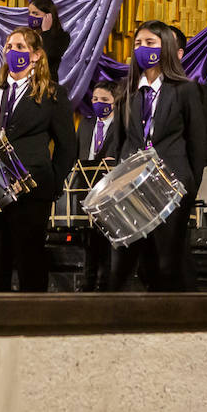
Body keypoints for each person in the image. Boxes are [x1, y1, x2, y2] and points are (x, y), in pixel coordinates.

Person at [0, 28, 76, 292]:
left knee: (29, 262)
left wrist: (50, 185)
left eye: (19, 46)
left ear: (36, 55)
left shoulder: (52, 94)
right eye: (8, 46)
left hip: (31, 192)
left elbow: (67, 147)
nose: (12, 51)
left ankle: (32, 322)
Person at [108, 21, 207, 292]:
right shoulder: (126, 91)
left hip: (171, 189)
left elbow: (198, 145)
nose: (142, 48)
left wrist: (188, 189)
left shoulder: (184, 89)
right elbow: (119, 145)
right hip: (132, 190)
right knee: (124, 265)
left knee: (166, 264)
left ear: (166, 47)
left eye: (150, 43)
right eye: (138, 44)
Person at [77, 80, 121, 291]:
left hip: (110, 192)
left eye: (104, 100)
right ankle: (88, 281)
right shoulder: (85, 124)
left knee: (106, 240)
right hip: (87, 191)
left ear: (115, 102)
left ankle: (105, 284)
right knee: (88, 240)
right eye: (95, 99)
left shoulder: (122, 126)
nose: (98, 103)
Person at [27, 0, 70, 81]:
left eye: (35, 13)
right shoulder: (28, 36)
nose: (31, 16)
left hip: (47, 84)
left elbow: (47, 57)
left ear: (49, 16)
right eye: (29, 13)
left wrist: (46, 32)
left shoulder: (62, 37)